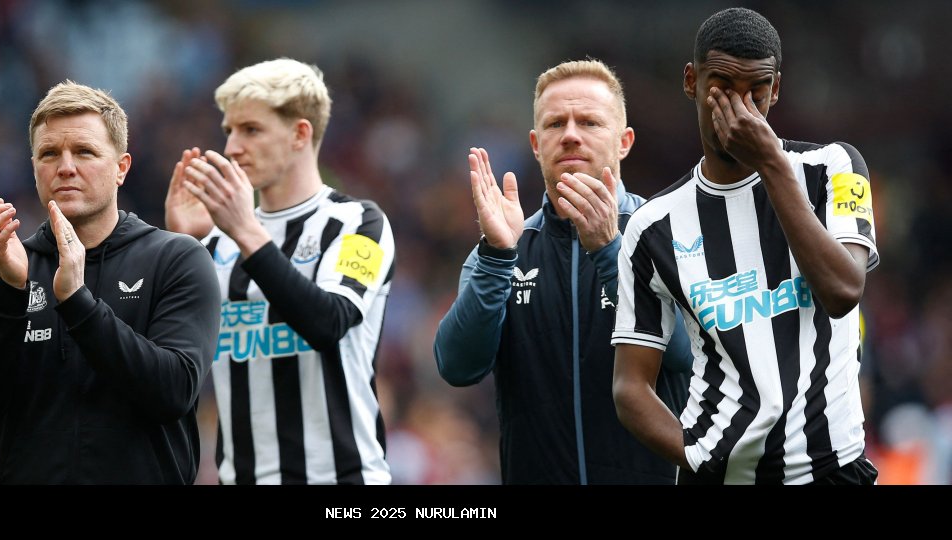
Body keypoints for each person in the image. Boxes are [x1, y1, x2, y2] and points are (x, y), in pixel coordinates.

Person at [612, 7, 879, 485]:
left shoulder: (834, 167)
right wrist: (695, 457)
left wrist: (770, 164)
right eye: (722, 87)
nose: (739, 108)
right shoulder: (652, 226)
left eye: (756, 91)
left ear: (776, 89)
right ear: (691, 81)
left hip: (832, 471)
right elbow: (630, 387)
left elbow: (843, 291)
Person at [0, 81, 222, 484]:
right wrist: (8, 294)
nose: (66, 167)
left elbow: (174, 392)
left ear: (121, 168)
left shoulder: (176, 260)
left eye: (85, 151)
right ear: (34, 168)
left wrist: (78, 303)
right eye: (49, 154)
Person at [433, 59, 692, 484]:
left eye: (589, 122)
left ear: (624, 141)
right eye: (555, 124)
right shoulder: (505, 247)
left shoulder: (671, 233)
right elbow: (457, 366)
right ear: (536, 145)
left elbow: (685, 354)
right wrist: (497, 257)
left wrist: (610, 252)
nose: (570, 134)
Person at [165, 58, 395, 485]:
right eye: (229, 131)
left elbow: (328, 322)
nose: (232, 147)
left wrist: (245, 233)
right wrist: (180, 248)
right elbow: (166, 364)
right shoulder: (214, 243)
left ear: (300, 134)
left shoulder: (358, 223)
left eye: (250, 130)